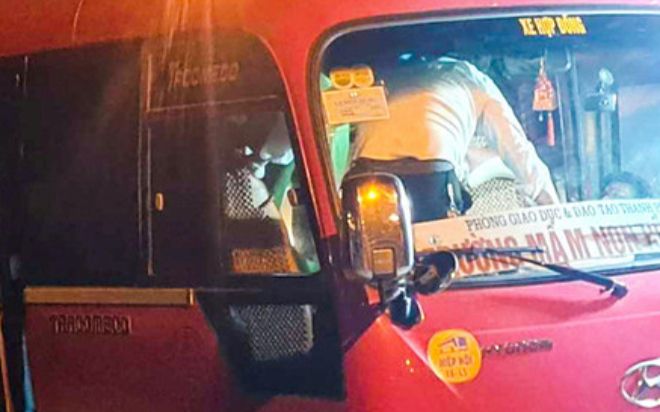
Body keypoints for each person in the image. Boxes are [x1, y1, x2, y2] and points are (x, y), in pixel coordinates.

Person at [350, 57, 559, 222]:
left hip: (367, 173)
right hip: (430, 174)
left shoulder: (389, 75)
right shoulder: (475, 80)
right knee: (439, 252)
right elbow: (517, 150)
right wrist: (555, 212)